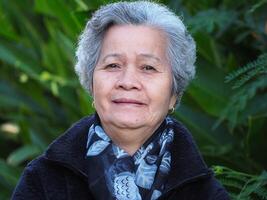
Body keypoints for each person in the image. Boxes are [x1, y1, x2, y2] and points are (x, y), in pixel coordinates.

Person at [12, 1, 229, 199]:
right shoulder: (43, 180)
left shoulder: (206, 193)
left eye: (148, 67)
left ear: (174, 93)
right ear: (91, 83)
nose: (127, 81)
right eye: (113, 65)